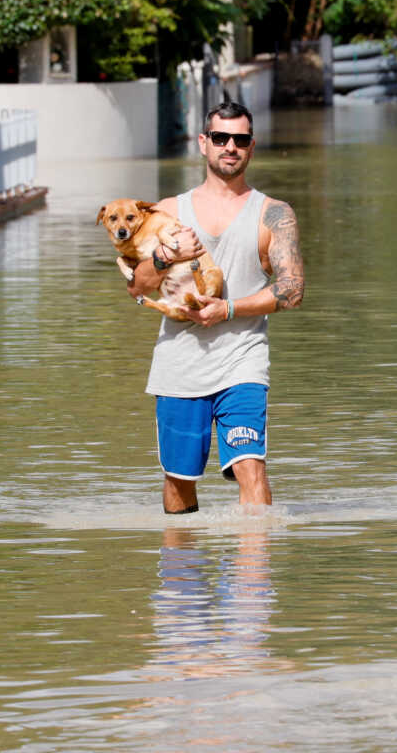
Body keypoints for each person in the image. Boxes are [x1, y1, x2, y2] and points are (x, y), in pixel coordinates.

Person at [128, 101, 304, 514]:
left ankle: (253, 576)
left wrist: (227, 310)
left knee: (251, 469)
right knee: (179, 482)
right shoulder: (168, 211)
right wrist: (163, 256)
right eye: (221, 138)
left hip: (241, 363)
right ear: (203, 144)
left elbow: (292, 289)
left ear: (252, 147)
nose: (231, 147)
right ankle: (182, 575)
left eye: (240, 140)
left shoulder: (273, 214)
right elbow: (137, 288)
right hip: (178, 367)